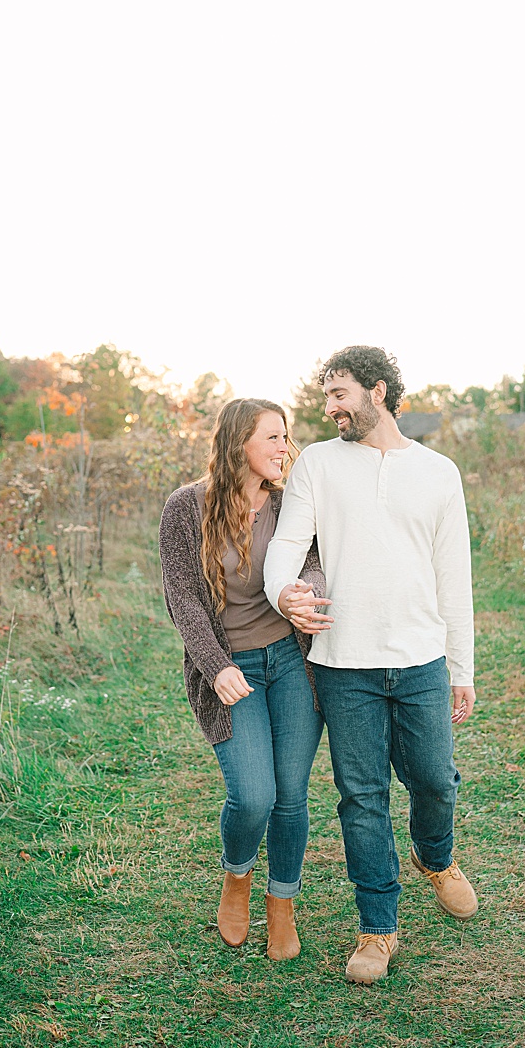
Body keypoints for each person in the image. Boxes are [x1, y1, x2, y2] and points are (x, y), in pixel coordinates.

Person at [263, 345, 479, 986]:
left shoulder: (438, 473)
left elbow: (454, 577)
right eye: (326, 397)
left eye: (340, 395)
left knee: (435, 780)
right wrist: (284, 595)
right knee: (361, 798)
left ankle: (435, 856)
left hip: (421, 659)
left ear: (377, 391)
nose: (330, 408)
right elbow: (286, 545)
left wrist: (461, 668)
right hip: (343, 661)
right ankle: (377, 928)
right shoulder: (318, 464)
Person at [159, 398, 326, 962]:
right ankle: (237, 876)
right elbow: (183, 597)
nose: (285, 447)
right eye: (272, 437)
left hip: (293, 661)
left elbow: (313, 560)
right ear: (238, 444)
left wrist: (305, 588)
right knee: (254, 796)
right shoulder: (186, 508)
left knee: (291, 796)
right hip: (232, 668)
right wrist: (217, 666)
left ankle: (282, 904)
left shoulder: (290, 502)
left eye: (285, 435)